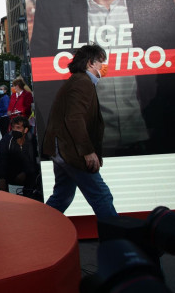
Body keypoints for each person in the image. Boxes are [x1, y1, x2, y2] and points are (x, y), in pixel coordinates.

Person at [31, 0, 175, 156]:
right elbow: (46, 86)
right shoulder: (51, 7)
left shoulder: (157, 1)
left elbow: (171, 76)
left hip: (155, 142)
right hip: (88, 147)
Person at [43, 44, 118, 220]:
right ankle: (116, 239)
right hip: (70, 152)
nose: (104, 66)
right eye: (101, 61)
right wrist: (87, 151)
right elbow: (74, 118)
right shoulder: (82, 82)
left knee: (62, 196)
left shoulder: (78, 81)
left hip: (62, 150)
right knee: (102, 196)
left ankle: (36, 228)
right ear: (91, 63)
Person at [0, 116, 39, 194]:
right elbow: (0, 159)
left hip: (26, 171)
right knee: (0, 175)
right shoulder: (6, 140)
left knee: (33, 174)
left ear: (25, 130)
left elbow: (33, 159)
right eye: (13, 127)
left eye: (18, 127)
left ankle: (28, 196)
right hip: (9, 170)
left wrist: (25, 172)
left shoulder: (32, 140)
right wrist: (2, 178)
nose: (15, 130)